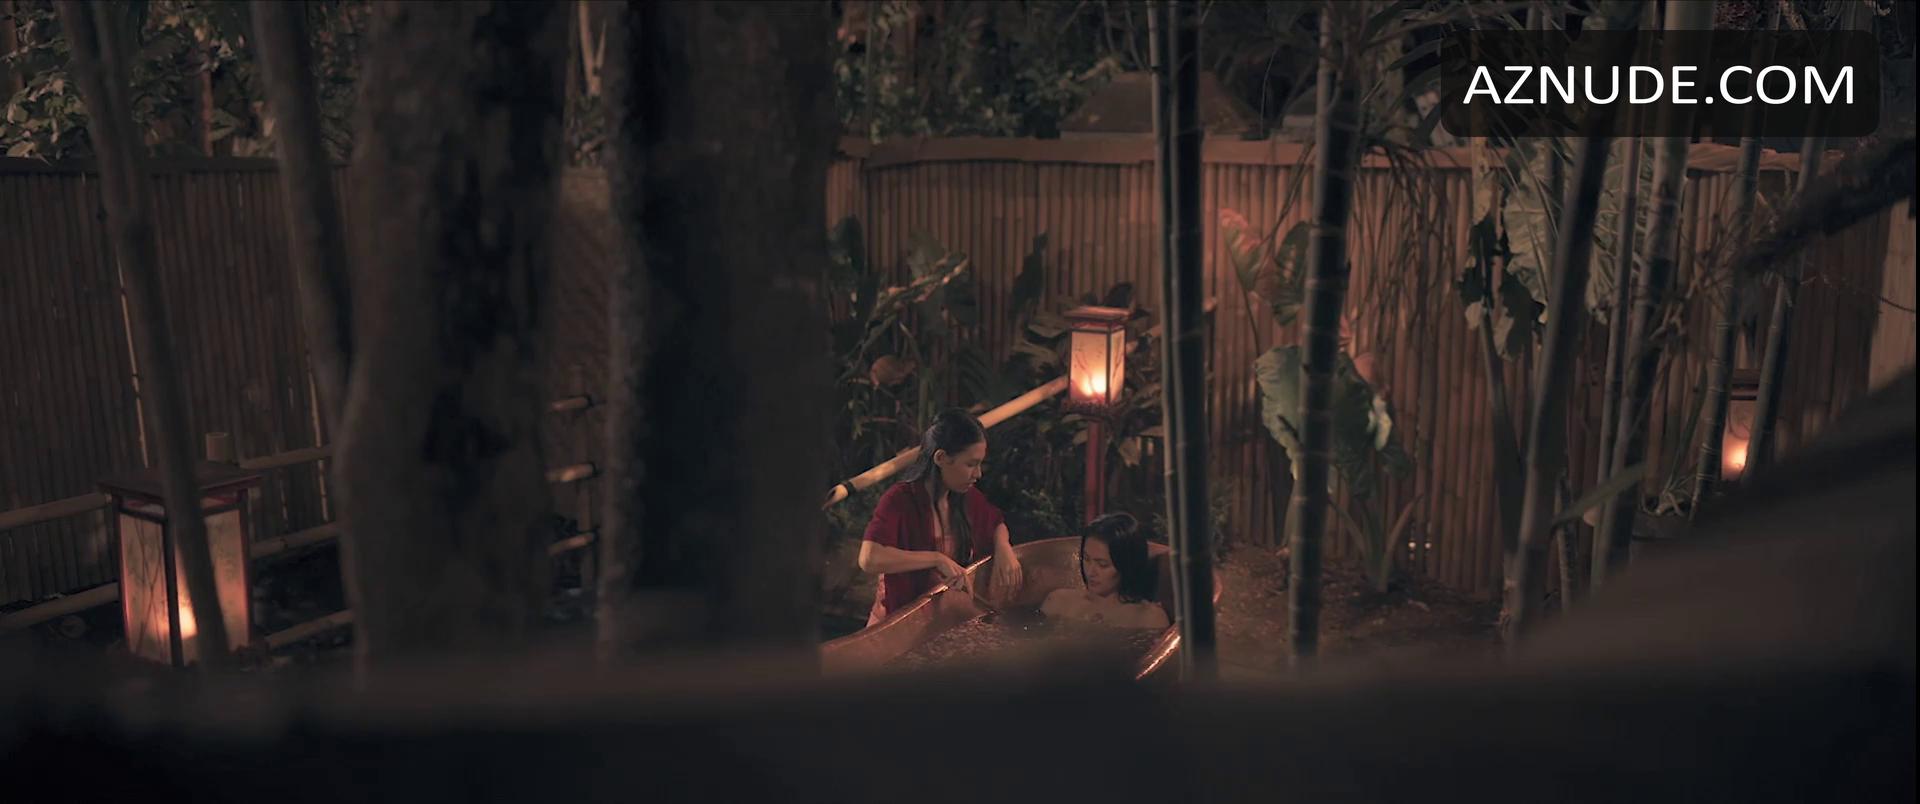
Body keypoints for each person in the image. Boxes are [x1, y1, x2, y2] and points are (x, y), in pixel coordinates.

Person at [857, 410, 1024, 626]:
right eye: (970, 464)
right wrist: (937, 559)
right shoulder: (899, 499)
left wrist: (1003, 547)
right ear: (941, 458)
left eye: (979, 464)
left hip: (938, 621)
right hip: (895, 623)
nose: (978, 474)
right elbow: (869, 558)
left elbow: (995, 522)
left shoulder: (965, 496)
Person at [1041, 512, 1170, 630]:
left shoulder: (1149, 618)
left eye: (1102, 565)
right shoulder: (1058, 601)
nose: (1090, 572)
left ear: (1127, 566)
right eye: (1086, 559)